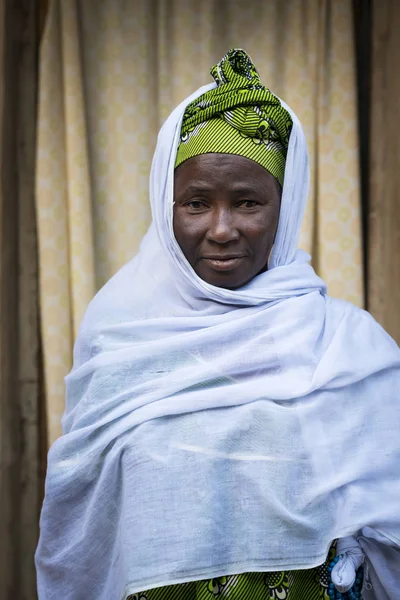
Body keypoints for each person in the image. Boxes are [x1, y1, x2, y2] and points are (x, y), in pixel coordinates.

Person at [36, 50, 400, 600]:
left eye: (249, 202)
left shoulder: (348, 348)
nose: (222, 229)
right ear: (167, 205)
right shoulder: (119, 335)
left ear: (286, 205)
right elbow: (85, 518)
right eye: (196, 203)